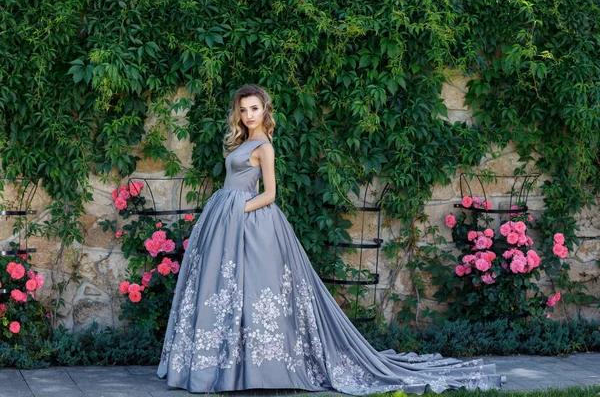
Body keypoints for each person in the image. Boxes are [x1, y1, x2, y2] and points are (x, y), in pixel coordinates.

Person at [157, 84, 502, 395]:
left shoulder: (264, 147)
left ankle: (260, 370)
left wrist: (237, 210)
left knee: (257, 288)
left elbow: (271, 194)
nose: (248, 115)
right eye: (243, 110)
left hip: (247, 220)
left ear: (266, 110)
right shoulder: (243, 141)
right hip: (228, 219)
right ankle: (229, 368)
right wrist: (226, 209)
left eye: (255, 109)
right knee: (227, 289)